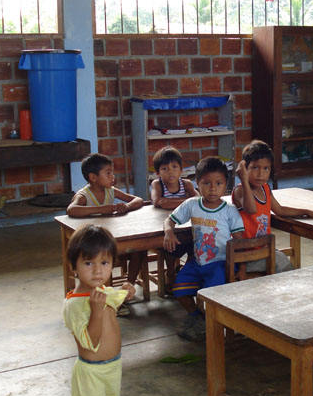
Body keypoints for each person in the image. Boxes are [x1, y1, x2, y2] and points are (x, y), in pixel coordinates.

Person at [62, 224, 136, 396]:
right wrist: (95, 312)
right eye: (88, 263)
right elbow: (90, 342)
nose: (97, 271)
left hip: (111, 368)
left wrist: (127, 291)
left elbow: (114, 296)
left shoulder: (99, 292)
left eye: (104, 263)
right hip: (92, 374)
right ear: (72, 266)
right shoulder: (75, 305)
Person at [163, 156, 244, 341]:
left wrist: (241, 267)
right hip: (197, 263)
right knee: (179, 291)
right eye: (207, 183)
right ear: (197, 184)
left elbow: (239, 240)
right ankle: (196, 317)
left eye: (218, 183)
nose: (213, 188)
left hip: (220, 264)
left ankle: (213, 324)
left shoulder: (229, 210)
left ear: (226, 185)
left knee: (211, 298)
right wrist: (169, 231)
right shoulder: (192, 204)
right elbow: (170, 219)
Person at [232, 140, 313, 276]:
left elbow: (280, 210)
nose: (261, 174)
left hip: (263, 249)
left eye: (266, 168)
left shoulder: (265, 189)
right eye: (255, 168)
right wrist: (243, 179)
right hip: (246, 255)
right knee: (284, 265)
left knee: (280, 260)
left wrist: (307, 212)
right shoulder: (241, 190)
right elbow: (251, 209)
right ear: (244, 168)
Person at [67, 153, 145, 316]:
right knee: (102, 259)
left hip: (114, 239)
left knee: (140, 248)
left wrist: (127, 206)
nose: (113, 177)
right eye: (108, 173)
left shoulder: (111, 191)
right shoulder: (84, 195)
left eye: (112, 172)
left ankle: (126, 289)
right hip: (94, 245)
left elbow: (138, 199)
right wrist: (101, 209)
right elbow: (71, 210)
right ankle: (105, 298)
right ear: (93, 177)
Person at [150, 146, 198, 294]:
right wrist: (186, 201)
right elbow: (157, 201)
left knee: (195, 246)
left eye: (174, 167)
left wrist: (171, 202)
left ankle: (184, 273)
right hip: (165, 228)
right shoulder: (157, 184)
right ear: (157, 173)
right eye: (164, 169)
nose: (170, 171)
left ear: (181, 169)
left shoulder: (186, 184)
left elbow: (197, 199)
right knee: (169, 248)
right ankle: (170, 273)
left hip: (186, 226)